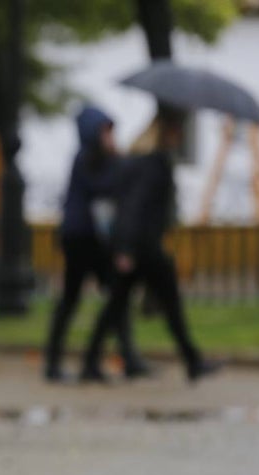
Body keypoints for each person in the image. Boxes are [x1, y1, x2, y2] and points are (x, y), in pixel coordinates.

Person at [81, 107, 220, 383]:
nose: (180, 136)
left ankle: (90, 361)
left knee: (118, 305)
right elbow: (135, 207)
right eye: (176, 130)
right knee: (167, 304)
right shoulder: (153, 164)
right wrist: (127, 249)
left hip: (137, 245)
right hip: (143, 248)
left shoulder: (136, 160)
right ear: (165, 133)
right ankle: (192, 361)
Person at [43, 105, 148, 382]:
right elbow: (105, 186)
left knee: (117, 295)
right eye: (106, 132)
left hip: (93, 240)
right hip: (81, 239)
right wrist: (123, 162)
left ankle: (121, 356)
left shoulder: (98, 158)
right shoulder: (87, 158)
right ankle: (56, 362)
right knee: (74, 298)